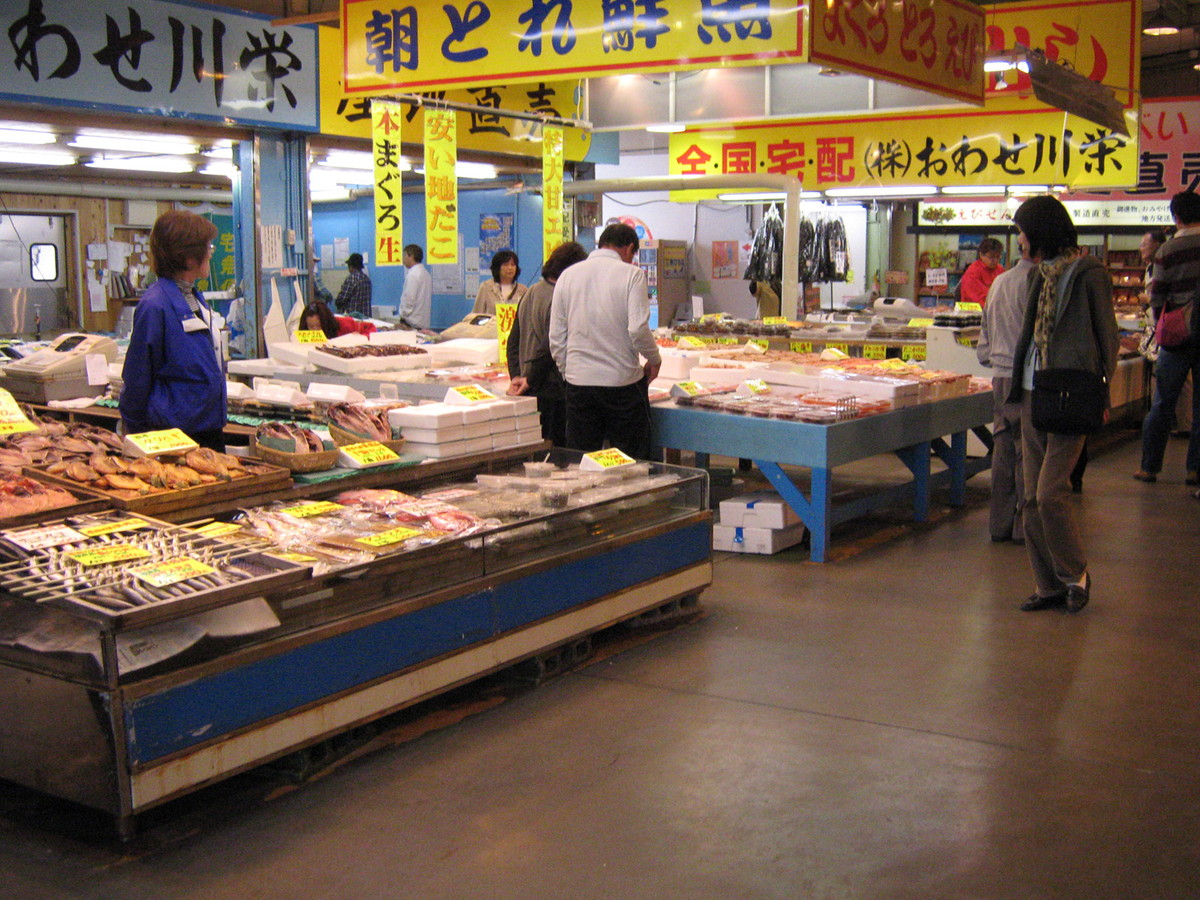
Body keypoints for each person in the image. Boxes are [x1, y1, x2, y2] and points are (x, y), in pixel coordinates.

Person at [1008, 196, 1119, 614]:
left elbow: (1107, 338)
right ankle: (1049, 585)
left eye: (1022, 231)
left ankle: (1076, 575)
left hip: (1072, 392)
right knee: (1030, 499)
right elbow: (1028, 334)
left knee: (1050, 492)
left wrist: (1103, 393)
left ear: (1040, 231)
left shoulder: (1090, 274)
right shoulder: (1039, 274)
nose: (1019, 239)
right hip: (1033, 391)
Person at [550, 223, 662, 460]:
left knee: (581, 461)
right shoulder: (632, 274)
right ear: (629, 248)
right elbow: (638, 329)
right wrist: (654, 359)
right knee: (630, 462)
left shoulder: (567, 276)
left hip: (579, 384)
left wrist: (570, 372)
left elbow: (557, 338)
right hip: (622, 383)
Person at [120, 210, 227, 452]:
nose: (211, 253)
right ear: (188, 257)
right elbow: (137, 376)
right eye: (207, 247)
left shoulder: (193, 297)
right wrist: (136, 433)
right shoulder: (155, 305)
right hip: (173, 434)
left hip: (207, 426)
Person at [1135, 190, 1200, 485]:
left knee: (1162, 402)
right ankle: (1195, 469)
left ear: (1177, 217)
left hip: (1176, 337)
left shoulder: (1168, 250)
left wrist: (1165, 321)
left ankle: (1149, 467)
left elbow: (1157, 296)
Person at [976, 234, 1036, 545]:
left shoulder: (999, 282)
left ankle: (998, 524)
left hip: (1000, 375)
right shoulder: (1037, 283)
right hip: (1028, 377)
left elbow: (983, 344)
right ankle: (1025, 527)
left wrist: (996, 358)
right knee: (1027, 450)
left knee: (1002, 446)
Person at [506, 241, 588, 446]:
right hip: (551, 388)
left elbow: (513, 340)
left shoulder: (530, 291)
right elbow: (552, 344)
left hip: (527, 385)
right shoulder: (561, 296)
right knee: (554, 450)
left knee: (535, 448)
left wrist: (517, 376)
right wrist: (531, 379)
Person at [473, 249, 527, 316]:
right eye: (505, 265)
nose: (510, 268)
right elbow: (476, 314)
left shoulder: (523, 290)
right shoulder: (486, 287)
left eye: (513, 265)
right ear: (498, 268)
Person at [959, 237, 1006, 307]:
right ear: (981, 255)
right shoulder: (973, 272)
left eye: (998, 257)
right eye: (991, 257)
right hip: (974, 310)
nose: (995, 260)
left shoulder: (1000, 269)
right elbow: (979, 299)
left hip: (994, 307)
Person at [300, 300, 375, 340]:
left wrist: (361, 338)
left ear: (326, 322)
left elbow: (371, 328)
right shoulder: (305, 332)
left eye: (319, 326)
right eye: (311, 327)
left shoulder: (344, 324)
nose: (315, 331)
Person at [399, 243, 432, 330]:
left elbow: (410, 299)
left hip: (411, 323)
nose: (403, 259)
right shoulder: (426, 273)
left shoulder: (413, 274)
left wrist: (403, 315)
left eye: (404, 256)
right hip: (423, 323)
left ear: (411, 256)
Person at [335, 252, 372, 317]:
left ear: (351, 266)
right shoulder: (367, 279)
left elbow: (341, 299)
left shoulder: (351, 279)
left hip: (353, 317)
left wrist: (337, 303)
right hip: (366, 317)